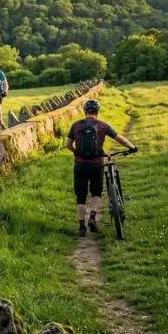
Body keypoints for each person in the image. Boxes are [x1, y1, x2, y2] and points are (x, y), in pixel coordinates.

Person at [65, 99, 137, 237]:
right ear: (97, 112)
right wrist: (132, 147)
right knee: (96, 192)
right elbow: (119, 138)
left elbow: (67, 144)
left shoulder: (76, 125)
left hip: (80, 165)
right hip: (96, 164)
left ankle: (81, 227)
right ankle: (92, 217)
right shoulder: (103, 125)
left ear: (85, 111)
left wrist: (77, 152)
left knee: (81, 196)